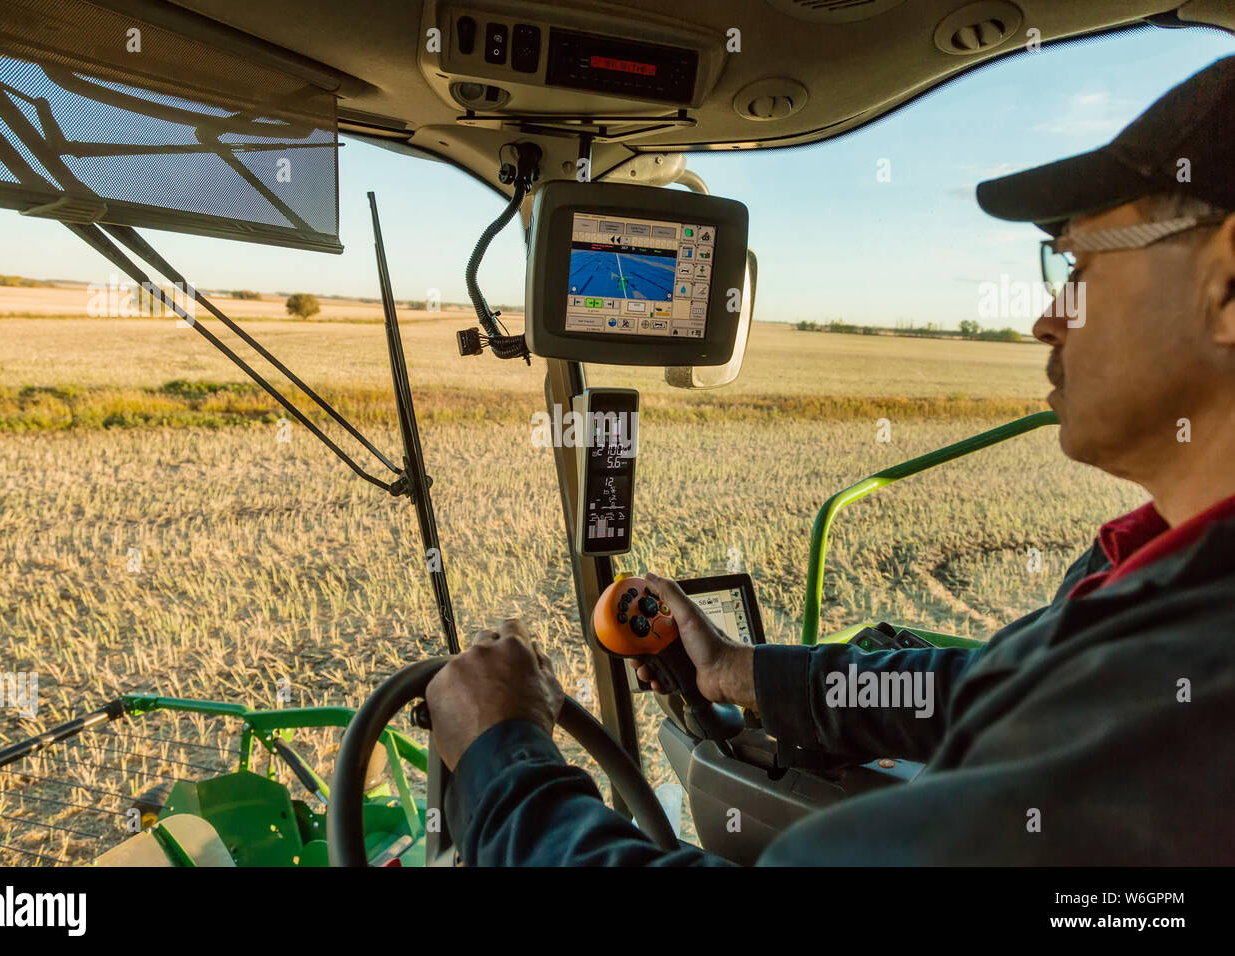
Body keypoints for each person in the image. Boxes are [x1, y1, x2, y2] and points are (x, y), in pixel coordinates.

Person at [425, 55, 1235, 865]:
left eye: (1078, 267)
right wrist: (740, 672)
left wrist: (506, 764)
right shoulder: (1147, 563)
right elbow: (977, 690)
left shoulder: (1181, 695)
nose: (1048, 321)